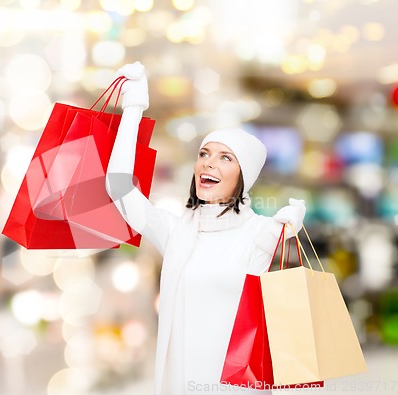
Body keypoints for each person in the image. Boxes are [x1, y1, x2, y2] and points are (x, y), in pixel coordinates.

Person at [106, 62, 306, 395]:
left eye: (226, 157)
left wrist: (285, 229)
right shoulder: (175, 232)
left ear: (245, 177)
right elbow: (118, 188)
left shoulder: (259, 233)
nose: (209, 163)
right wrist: (133, 108)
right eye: (204, 153)